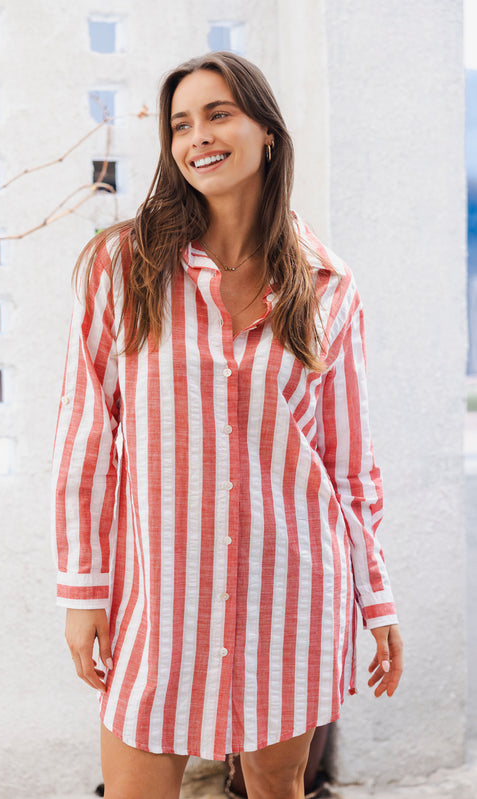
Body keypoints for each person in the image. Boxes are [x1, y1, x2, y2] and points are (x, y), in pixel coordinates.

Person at [52, 51, 403, 799]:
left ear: (266, 132)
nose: (198, 137)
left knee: (276, 789)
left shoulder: (328, 285)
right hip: (159, 599)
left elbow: (347, 463)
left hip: (293, 592)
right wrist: (84, 593)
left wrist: (375, 599)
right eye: (181, 124)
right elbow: (86, 438)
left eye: (218, 114)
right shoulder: (125, 267)